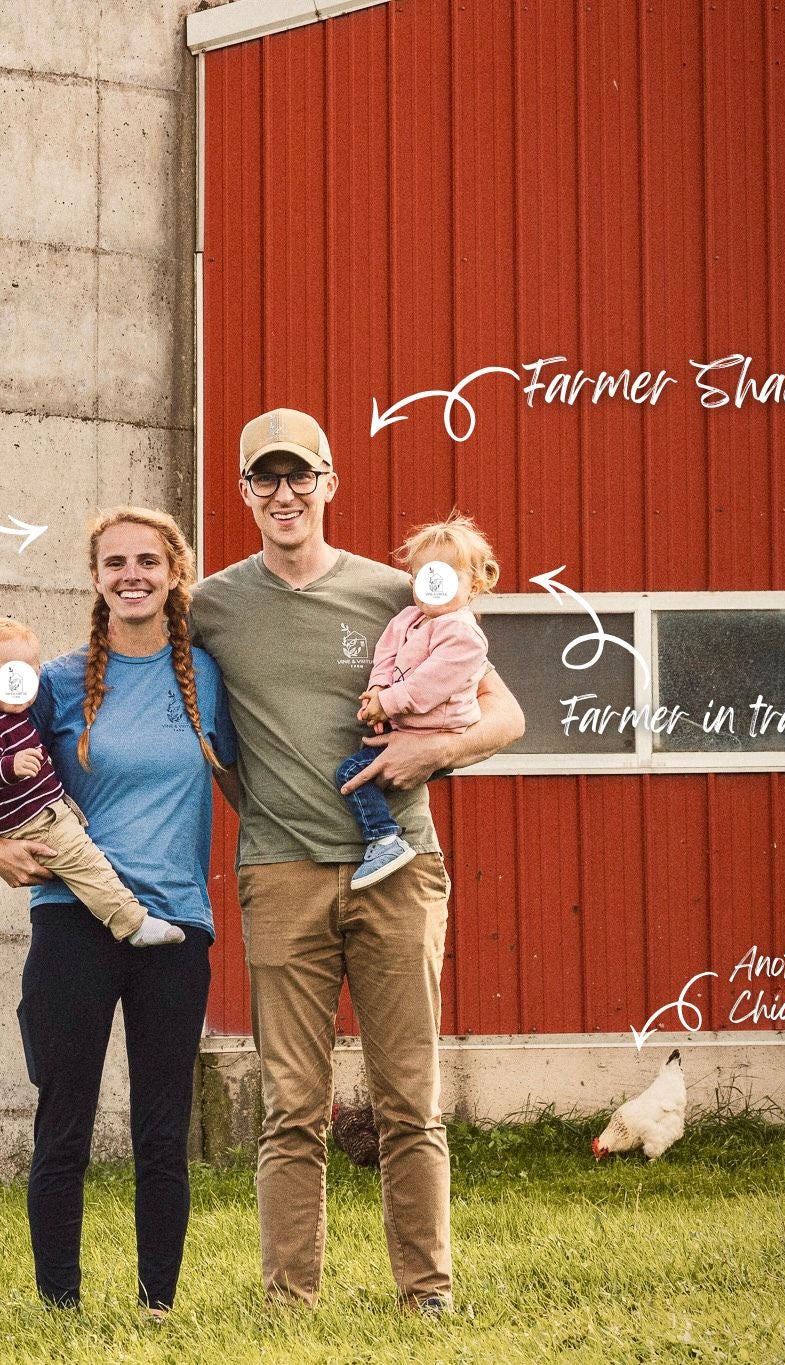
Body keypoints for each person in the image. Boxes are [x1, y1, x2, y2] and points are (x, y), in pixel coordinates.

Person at [189, 408, 524, 1316]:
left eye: (303, 476)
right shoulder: (213, 604)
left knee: (409, 1097)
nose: (286, 493)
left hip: (401, 867)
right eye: (267, 478)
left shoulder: (396, 593)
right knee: (291, 1105)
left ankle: (428, 1294)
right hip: (281, 870)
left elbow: (504, 714)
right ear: (247, 492)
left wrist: (430, 755)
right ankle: (288, 1299)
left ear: (332, 483)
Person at [0, 507, 236, 1316]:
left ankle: (158, 1306)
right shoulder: (57, 680)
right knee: (65, 1125)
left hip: (176, 927)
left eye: (148, 560)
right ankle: (59, 1305)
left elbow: (255, 766)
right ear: (94, 577)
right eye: (114, 561)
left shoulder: (208, 677)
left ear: (174, 571)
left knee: (162, 1133)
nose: (132, 574)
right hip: (72, 922)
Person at [0, 616, 188, 947]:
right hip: (33, 820)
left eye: (26, 673)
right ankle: (132, 923)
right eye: (1, 674)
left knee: (84, 861)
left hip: (45, 810)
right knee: (86, 863)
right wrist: (10, 766)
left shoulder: (13, 715)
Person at [337, 514, 499, 890]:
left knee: (350, 775)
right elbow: (386, 655)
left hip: (438, 726)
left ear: (473, 585)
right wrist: (377, 691)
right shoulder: (409, 619)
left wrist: (391, 702)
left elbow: (432, 682)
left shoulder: (463, 633)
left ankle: (384, 840)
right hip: (406, 720)